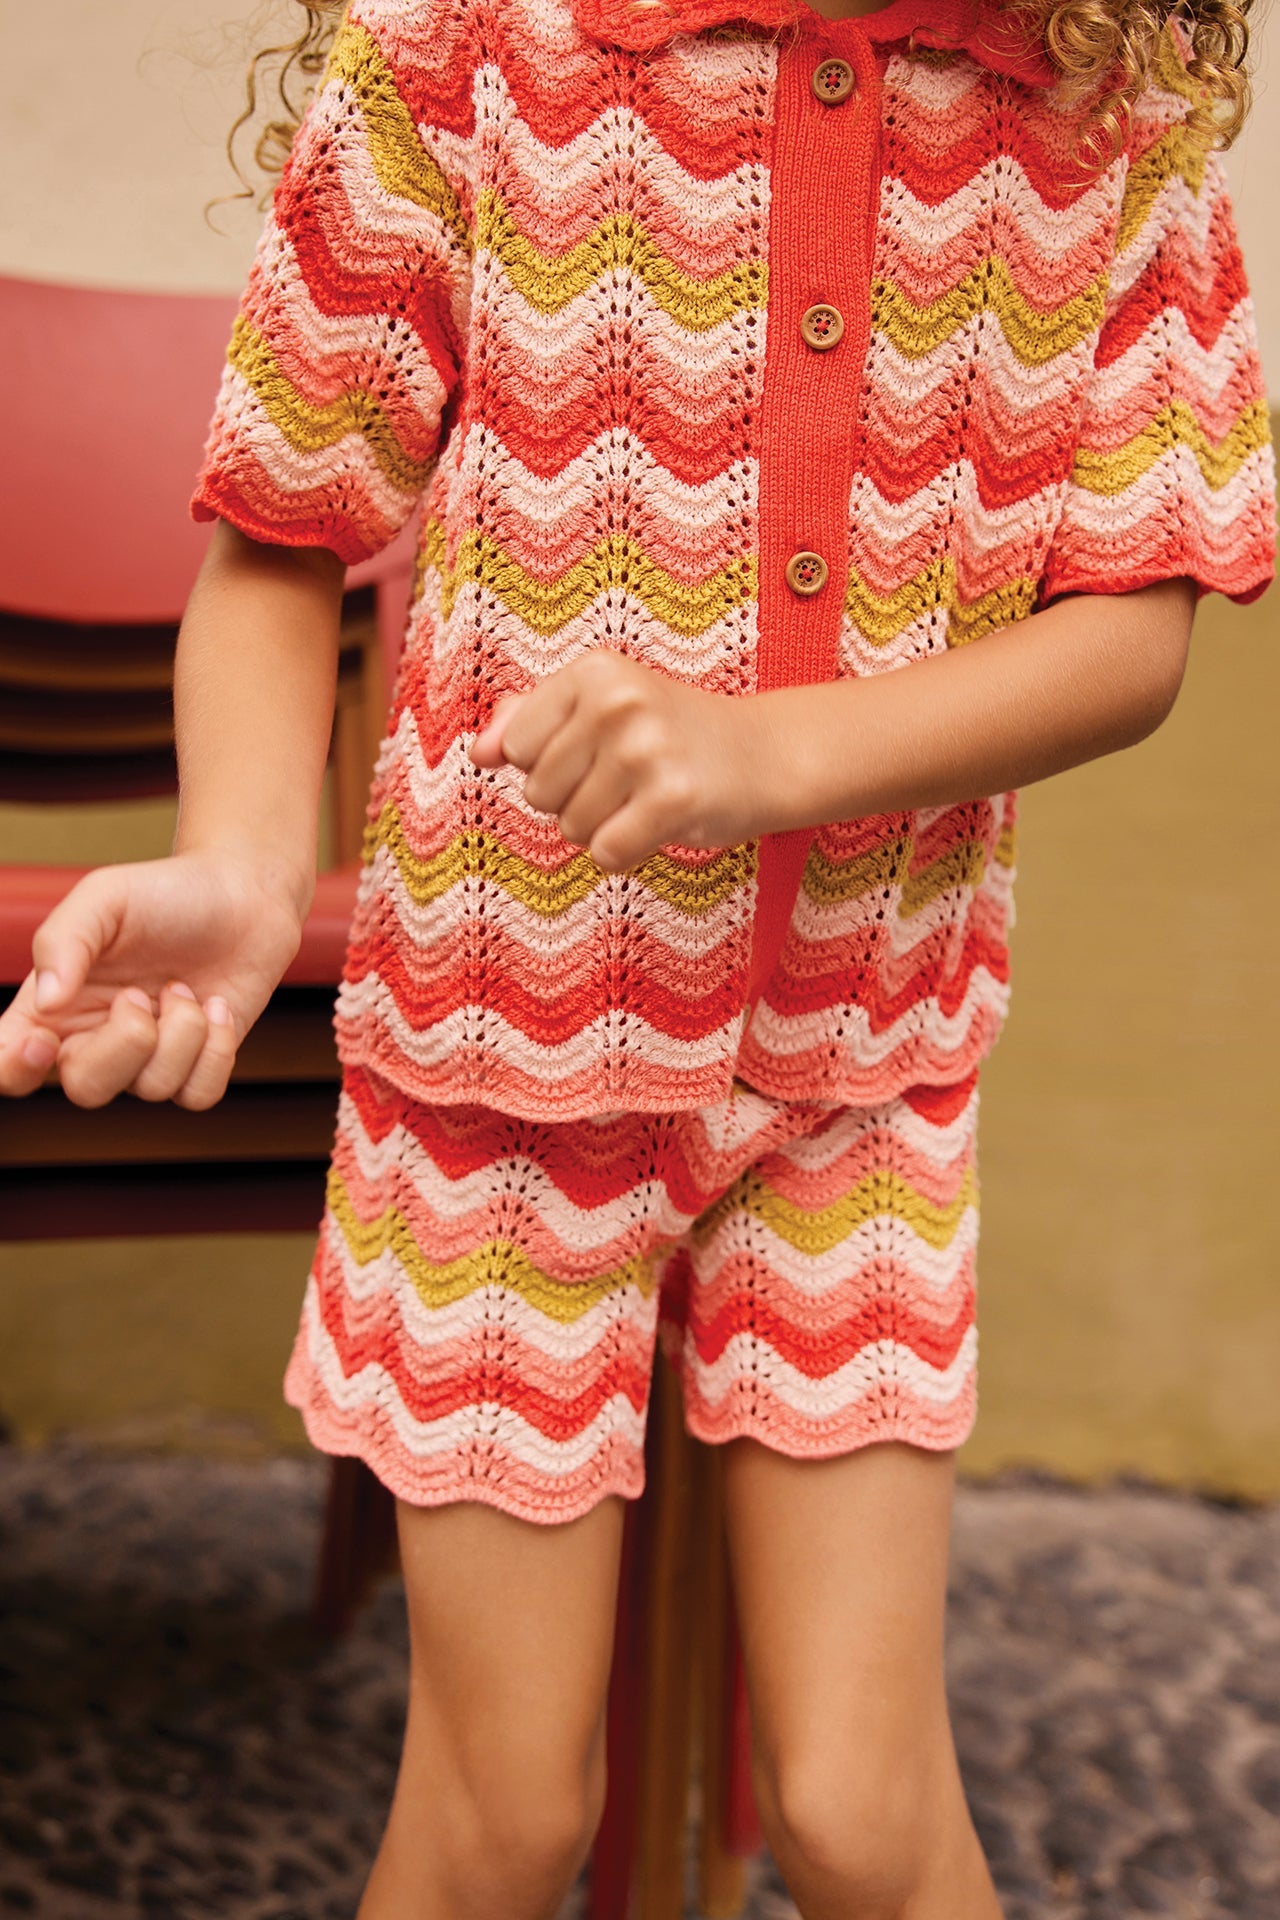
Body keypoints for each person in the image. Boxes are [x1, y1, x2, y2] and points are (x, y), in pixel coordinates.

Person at [2, 0, 1274, 1911]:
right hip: (493, 1078)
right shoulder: (469, 51)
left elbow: (1133, 631)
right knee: (505, 1816)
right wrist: (248, 868)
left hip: (861, 1082)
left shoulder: (1107, 109)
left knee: (863, 1815)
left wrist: (771, 755)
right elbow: (280, 537)